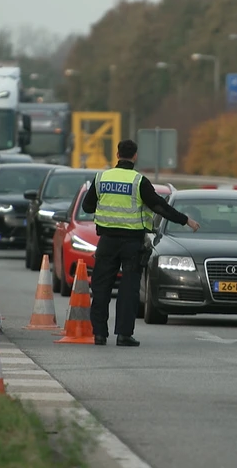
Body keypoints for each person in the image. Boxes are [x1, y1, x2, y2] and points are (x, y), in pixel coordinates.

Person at [81, 139, 200, 346]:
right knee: (128, 290)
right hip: (132, 243)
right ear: (135, 156)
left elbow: (87, 206)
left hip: (107, 241)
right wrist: (185, 220)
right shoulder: (139, 182)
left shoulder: (101, 178)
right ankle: (124, 335)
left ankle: (99, 334)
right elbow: (160, 207)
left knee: (101, 289)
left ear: (117, 155)